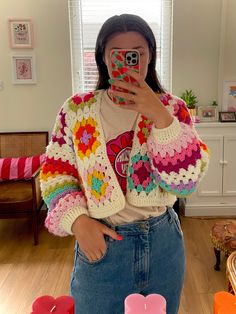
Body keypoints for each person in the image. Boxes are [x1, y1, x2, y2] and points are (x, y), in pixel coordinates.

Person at [40, 14, 210, 314]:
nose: (128, 61)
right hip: (102, 244)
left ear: (150, 56)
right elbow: (55, 176)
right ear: (103, 58)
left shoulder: (172, 109)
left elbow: (184, 183)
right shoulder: (77, 111)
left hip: (164, 245)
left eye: (137, 53)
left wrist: (161, 118)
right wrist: (78, 221)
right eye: (117, 54)